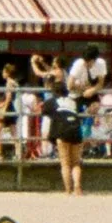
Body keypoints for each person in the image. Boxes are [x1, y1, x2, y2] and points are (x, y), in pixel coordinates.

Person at [48, 65, 87, 194]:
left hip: (62, 130)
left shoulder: (52, 101)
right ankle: (77, 187)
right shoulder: (73, 101)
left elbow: (43, 111)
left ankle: (67, 190)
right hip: (76, 129)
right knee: (76, 162)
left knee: (65, 163)